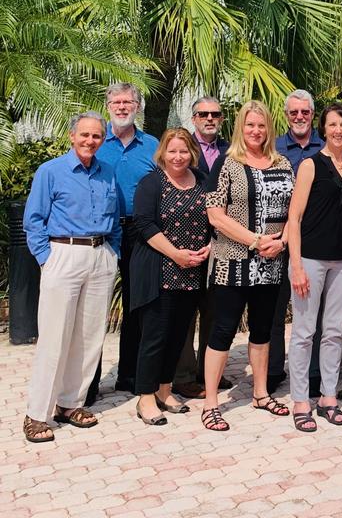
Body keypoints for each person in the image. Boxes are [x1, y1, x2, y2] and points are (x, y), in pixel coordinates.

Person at [22, 112, 121, 443]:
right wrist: (47, 260)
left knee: (89, 336)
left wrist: (113, 253)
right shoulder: (50, 171)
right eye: (85, 135)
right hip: (62, 254)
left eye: (96, 136)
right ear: (72, 136)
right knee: (55, 336)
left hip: (100, 255)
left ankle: (70, 403)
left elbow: (116, 218)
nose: (90, 141)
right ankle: (37, 413)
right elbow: (33, 220)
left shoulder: (107, 172)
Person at [201, 101, 295, 431]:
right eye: (250, 125)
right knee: (223, 329)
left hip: (272, 262)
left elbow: (293, 211)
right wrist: (256, 241)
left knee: (262, 329)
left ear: (269, 128)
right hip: (233, 262)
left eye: (262, 125)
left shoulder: (283, 163)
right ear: (241, 126)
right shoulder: (226, 164)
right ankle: (211, 402)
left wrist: (281, 241)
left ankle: (260, 393)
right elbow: (216, 215)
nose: (256, 131)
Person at [287, 104, 342, 432]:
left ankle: (329, 397)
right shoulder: (309, 166)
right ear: (324, 129)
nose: (338, 130)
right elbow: (294, 218)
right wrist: (296, 265)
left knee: (334, 332)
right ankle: (300, 400)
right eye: (332, 124)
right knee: (305, 332)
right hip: (311, 259)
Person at [130, 129, 211, 425]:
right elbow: (144, 224)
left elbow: (216, 217)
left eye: (184, 151)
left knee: (178, 335)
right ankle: (146, 397)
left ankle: (165, 390)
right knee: (154, 337)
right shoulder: (152, 183)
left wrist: (210, 247)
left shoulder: (202, 180)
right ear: (162, 152)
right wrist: (175, 253)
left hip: (192, 272)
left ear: (192, 153)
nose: (178, 157)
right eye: (172, 151)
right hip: (160, 269)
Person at [85, 83, 159, 404]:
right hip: (102, 233)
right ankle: (88, 384)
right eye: (116, 101)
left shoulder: (152, 145)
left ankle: (129, 375)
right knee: (94, 308)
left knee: (136, 305)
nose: (121, 106)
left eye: (128, 101)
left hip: (141, 234)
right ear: (107, 106)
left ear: (138, 107)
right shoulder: (98, 144)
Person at [267, 90, 326, 395]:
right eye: (294, 113)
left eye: (305, 112)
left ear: (312, 115)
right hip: (277, 240)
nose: (300, 117)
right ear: (286, 115)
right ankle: (274, 370)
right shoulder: (273, 148)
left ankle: (313, 374)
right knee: (275, 311)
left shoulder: (326, 147)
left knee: (312, 311)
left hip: (315, 240)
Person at [172, 96, 231, 400]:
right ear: (193, 118)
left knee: (214, 309)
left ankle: (209, 372)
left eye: (215, 114)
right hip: (187, 242)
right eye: (203, 114)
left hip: (222, 241)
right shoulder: (182, 148)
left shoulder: (230, 149)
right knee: (185, 311)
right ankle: (183, 376)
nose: (210, 118)